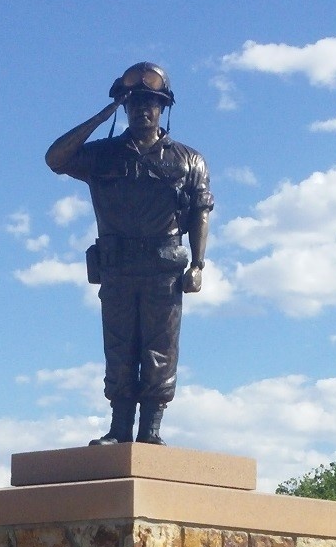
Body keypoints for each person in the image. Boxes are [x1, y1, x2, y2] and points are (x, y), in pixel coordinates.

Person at [45, 63, 213, 445]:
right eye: (134, 102)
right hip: (118, 267)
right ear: (124, 106)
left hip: (164, 267)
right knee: (120, 347)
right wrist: (104, 112)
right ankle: (119, 429)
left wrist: (199, 264)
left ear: (163, 108)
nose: (142, 109)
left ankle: (150, 431)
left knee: (160, 349)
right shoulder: (102, 155)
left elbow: (201, 211)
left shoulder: (189, 160)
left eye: (150, 103)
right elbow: (55, 159)